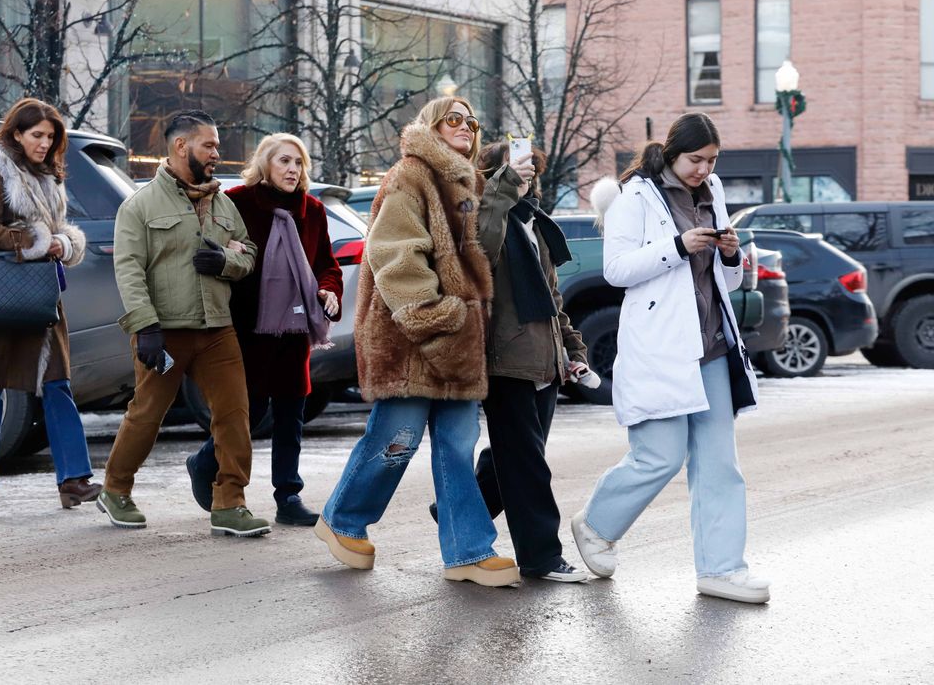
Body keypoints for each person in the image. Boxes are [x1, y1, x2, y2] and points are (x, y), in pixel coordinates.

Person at [314, 97, 520, 587]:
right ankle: (341, 519)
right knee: (395, 442)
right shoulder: (410, 175)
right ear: (431, 125)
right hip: (411, 338)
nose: (466, 126)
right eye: (454, 118)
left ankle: (468, 550)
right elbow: (395, 256)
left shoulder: (469, 185)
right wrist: (435, 317)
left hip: (458, 343)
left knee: (457, 448)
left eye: (472, 120)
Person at [572, 112, 769, 604]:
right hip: (662, 347)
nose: (704, 169)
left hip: (711, 348)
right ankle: (596, 525)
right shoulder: (634, 196)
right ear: (673, 152)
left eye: (712, 160)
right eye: (696, 160)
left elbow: (727, 282)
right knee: (658, 457)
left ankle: (722, 569)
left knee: (720, 464)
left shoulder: (713, 191)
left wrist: (729, 254)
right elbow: (616, 270)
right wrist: (677, 246)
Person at [98, 110, 264, 537]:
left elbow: (248, 251)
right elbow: (129, 271)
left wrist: (226, 260)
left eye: (216, 145)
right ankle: (115, 489)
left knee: (234, 415)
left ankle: (230, 502)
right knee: (147, 414)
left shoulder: (222, 202)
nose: (216, 153)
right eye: (208, 145)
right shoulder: (139, 206)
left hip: (216, 329)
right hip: (164, 331)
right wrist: (145, 327)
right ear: (180, 146)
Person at [0, 97, 102, 508]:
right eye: (37, 135)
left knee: (57, 383)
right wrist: (36, 242)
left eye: (51, 137)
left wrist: (63, 242)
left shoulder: (49, 175)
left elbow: (56, 229)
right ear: (16, 133)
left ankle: (73, 479)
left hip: (39, 293)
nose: (45, 144)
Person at [185, 133, 342, 526]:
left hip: (293, 327)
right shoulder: (238, 201)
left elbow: (327, 263)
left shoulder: (313, 211)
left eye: (299, 163)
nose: (293, 170)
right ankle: (204, 462)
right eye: (284, 161)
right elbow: (207, 242)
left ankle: (288, 497)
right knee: (247, 412)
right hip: (247, 324)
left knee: (292, 414)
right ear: (265, 165)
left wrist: (329, 291)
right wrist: (227, 250)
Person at [461, 140, 597, 583]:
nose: (527, 176)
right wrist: (499, 190)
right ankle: (540, 556)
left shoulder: (532, 223)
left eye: (531, 170)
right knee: (527, 463)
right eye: (515, 169)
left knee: (513, 458)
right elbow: (478, 252)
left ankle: (456, 512)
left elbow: (552, 299)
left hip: (545, 360)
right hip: (505, 360)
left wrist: (573, 351)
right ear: (493, 175)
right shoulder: (484, 219)